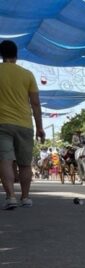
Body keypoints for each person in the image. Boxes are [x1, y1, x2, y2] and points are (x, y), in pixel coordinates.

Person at [0, 40, 45, 209]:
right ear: (16, 55)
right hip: (25, 124)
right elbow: (35, 103)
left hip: (2, 124)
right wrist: (39, 127)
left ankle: (11, 197)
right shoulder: (27, 74)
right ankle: (25, 197)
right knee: (25, 163)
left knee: (4, 160)